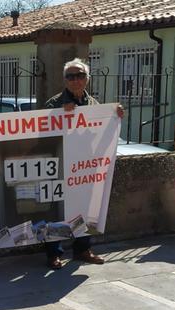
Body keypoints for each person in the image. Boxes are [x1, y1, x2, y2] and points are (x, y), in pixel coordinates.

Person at [43, 58, 122, 270]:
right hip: (60, 166)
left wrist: (116, 115)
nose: (76, 80)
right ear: (65, 80)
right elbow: (42, 131)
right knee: (57, 211)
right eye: (71, 76)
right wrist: (60, 112)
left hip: (85, 168)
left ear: (87, 79)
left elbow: (103, 132)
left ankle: (82, 249)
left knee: (85, 209)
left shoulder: (94, 105)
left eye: (80, 75)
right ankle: (54, 254)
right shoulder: (54, 103)